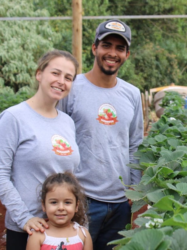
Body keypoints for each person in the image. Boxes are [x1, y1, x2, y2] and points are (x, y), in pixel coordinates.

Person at [58, 19, 144, 249]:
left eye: (120, 48)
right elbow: (57, 139)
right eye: (106, 45)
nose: (112, 53)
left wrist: (133, 190)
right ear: (94, 48)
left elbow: (135, 144)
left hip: (120, 203)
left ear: (127, 54)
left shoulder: (132, 94)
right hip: (81, 199)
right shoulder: (71, 88)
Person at [0, 50, 81, 250]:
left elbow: (72, 177)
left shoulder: (67, 122)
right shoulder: (14, 118)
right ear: (39, 74)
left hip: (62, 229)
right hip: (27, 231)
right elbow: (1, 174)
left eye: (68, 77)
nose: (61, 81)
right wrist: (24, 218)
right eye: (55, 73)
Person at [26, 172, 92, 250]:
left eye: (67, 202)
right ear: (43, 205)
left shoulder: (83, 235)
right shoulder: (37, 235)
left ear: (76, 206)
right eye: (54, 202)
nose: (61, 208)